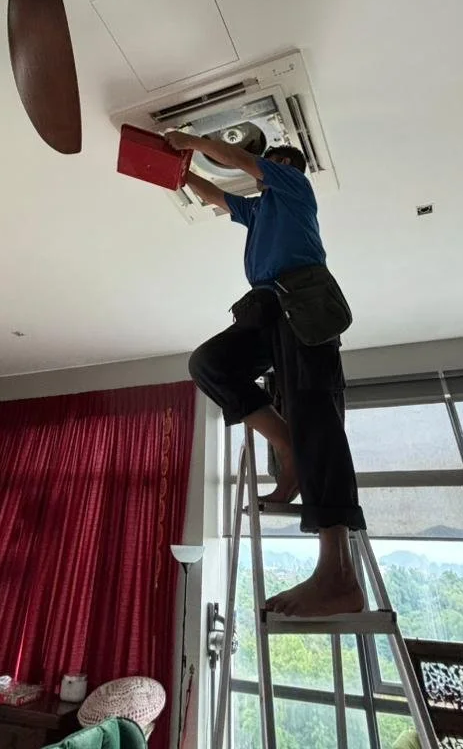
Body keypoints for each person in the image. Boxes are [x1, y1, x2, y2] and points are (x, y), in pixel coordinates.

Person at [165, 130, 366, 617]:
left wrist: (189, 139)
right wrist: (173, 171)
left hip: (304, 300)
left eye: (272, 164)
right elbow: (215, 195)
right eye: (267, 165)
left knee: (314, 411)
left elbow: (237, 159)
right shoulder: (258, 211)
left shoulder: (294, 187)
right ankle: (286, 446)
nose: (266, 170)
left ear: (285, 169)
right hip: (267, 306)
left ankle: (338, 575)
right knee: (210, 364)